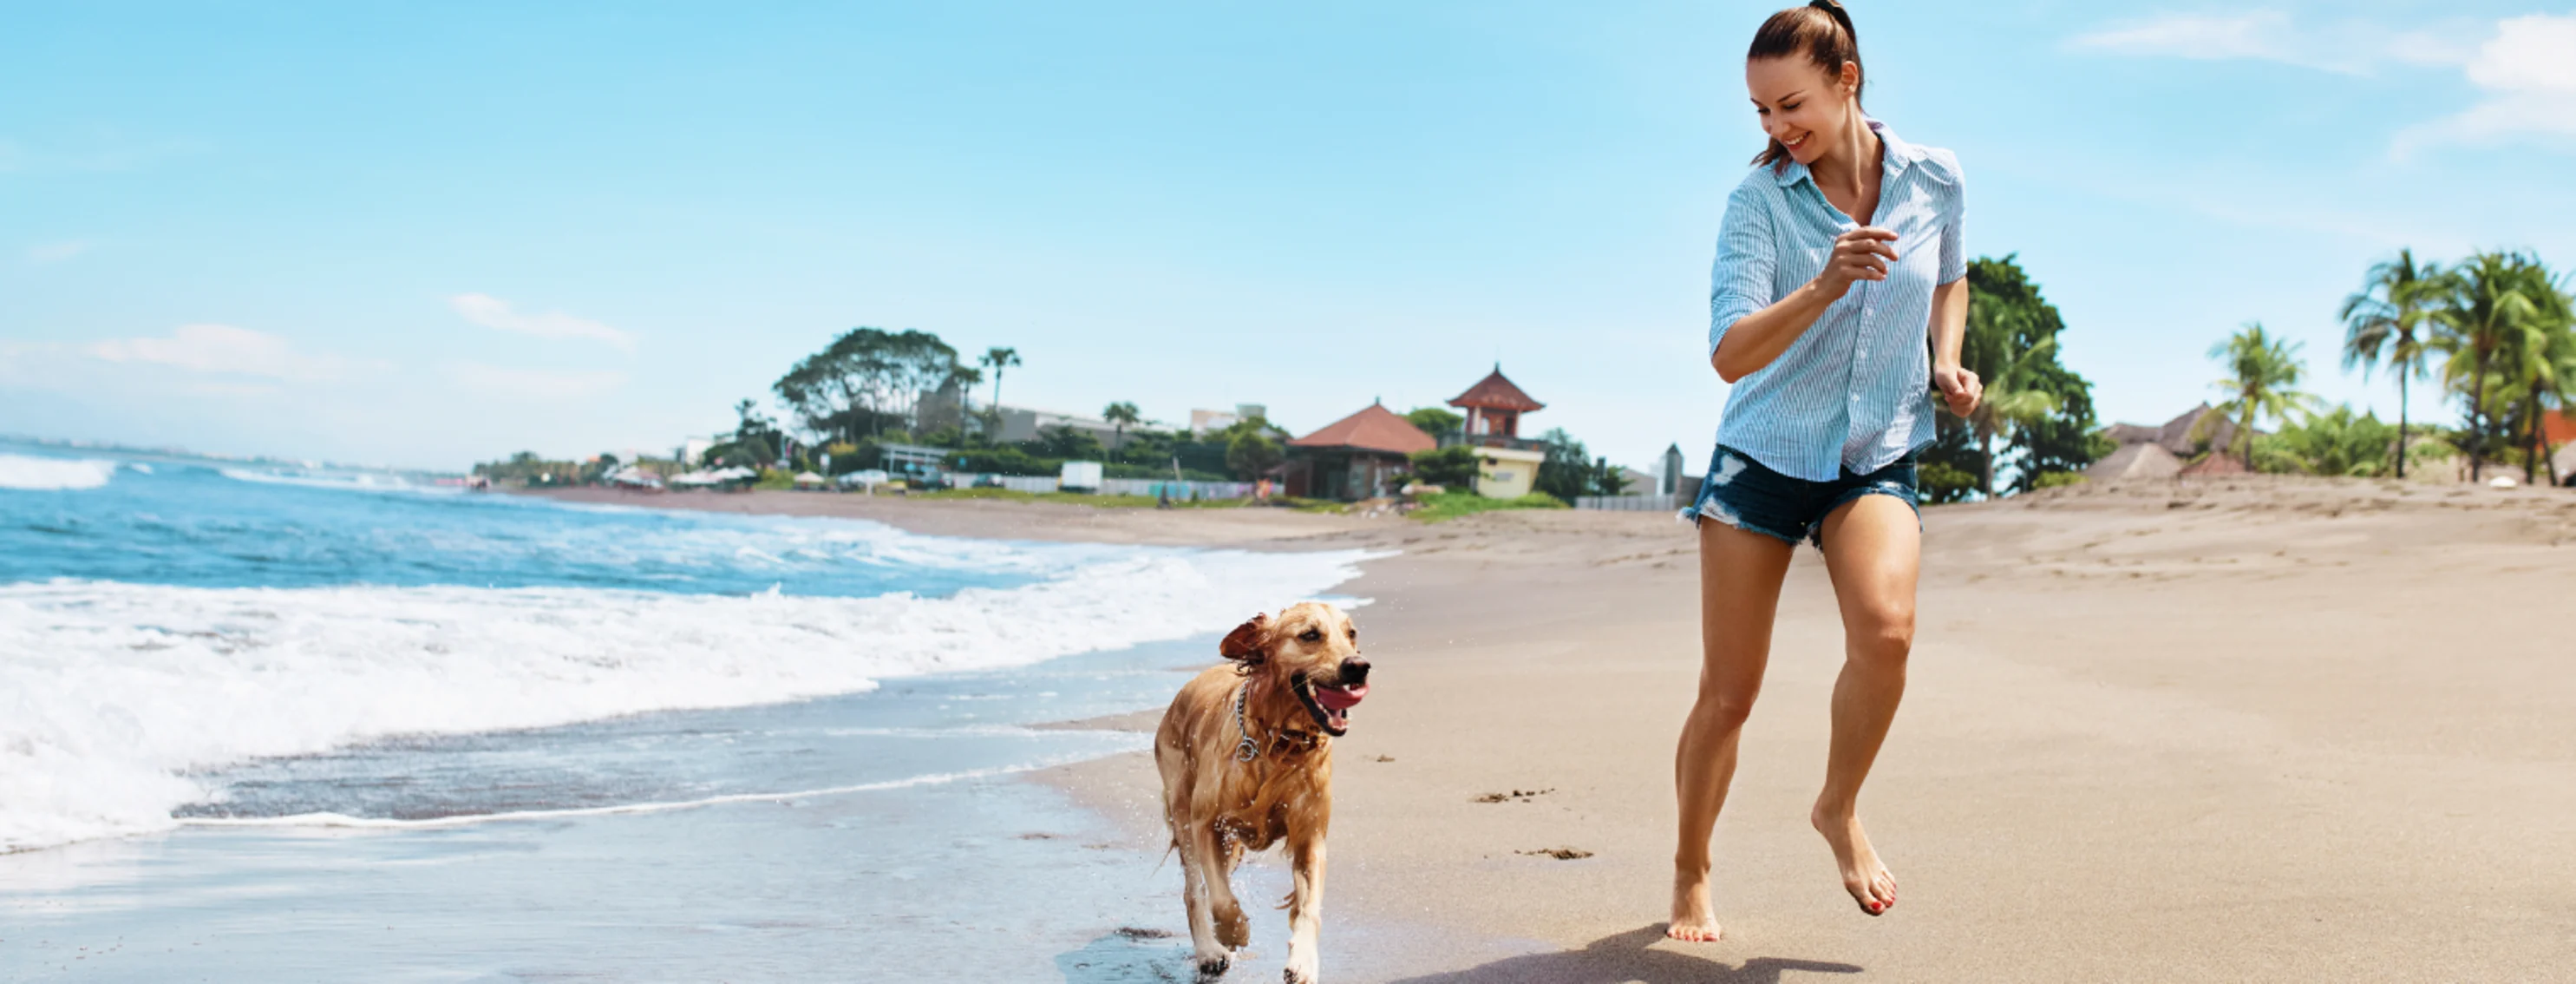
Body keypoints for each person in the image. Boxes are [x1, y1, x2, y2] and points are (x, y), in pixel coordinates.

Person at [1667, 0, 1981, 943]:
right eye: (1761, 112)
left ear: (1848, 82)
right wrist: (1826, 281)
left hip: (1876, 447)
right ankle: (1690, 870)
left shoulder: (1937, 177)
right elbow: (1729, 354)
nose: (1777, 129)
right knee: (1730, 693)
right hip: (1764, 455)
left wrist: (1945, 359)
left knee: (1886, 632)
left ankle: (1838, 807)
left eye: (1790, 104)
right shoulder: (1757, 203)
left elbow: (1952, 275)